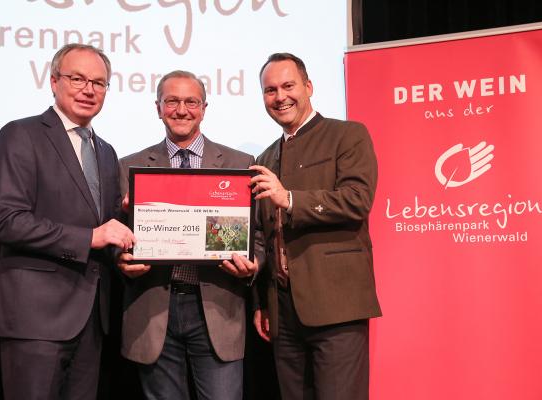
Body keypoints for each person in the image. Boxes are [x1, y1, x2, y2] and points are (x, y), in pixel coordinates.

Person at [0, 43, 136, 400]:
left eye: (99, 83)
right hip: (35, 318)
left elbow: (106, 228)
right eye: (78, 79)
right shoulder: (21, 134)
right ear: (54, 81)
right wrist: (90, 238)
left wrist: (124, 242)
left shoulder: (106, 151)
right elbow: (6, 221)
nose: (89, 90)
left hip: (91, 319)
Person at [118, 70, 259, 400]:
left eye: (191, 101)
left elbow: (259, 235)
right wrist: (121, 259)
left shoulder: (240, 164)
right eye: (172, 101)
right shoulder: (129, 166)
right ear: (158, 107)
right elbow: (117, 236)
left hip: (217, 308)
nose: (181, 110)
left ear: (204, 107)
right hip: (154, 310)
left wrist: (255, 262)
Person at [250, 52, 382, 400]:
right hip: (283, 312)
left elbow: (357, 199)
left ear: (308, 87)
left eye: (288, 86)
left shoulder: (347, 135)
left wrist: (290, 199)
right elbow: (264, 234)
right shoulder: (264, 159)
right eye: (270, 90)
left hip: (336, 303)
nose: (280, 97)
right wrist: (262, 303)